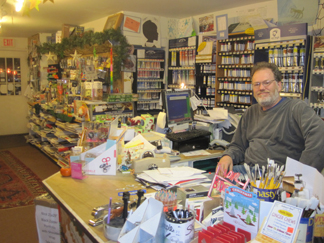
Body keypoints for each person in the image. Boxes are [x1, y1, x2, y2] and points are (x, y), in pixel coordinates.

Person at [216, 62, 324, 176]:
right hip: (249, 172)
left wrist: (301, 174)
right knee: (210, 183)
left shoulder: (296, 109)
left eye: (266, 83)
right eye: (256, 84)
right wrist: (228, 156)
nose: (261, 88)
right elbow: (238, 146)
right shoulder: (250, 113)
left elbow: (320, 135)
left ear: (279, 85)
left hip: (277, 177)